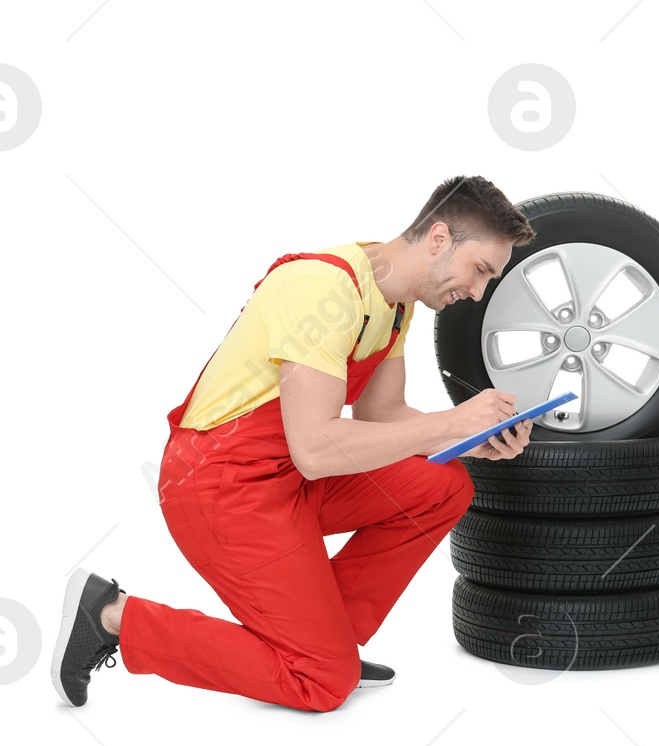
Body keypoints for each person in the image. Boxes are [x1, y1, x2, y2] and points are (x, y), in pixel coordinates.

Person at [53, 177, 538, 715]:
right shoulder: (322, 288)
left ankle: (329, 647)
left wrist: (472, 440)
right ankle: (112, 616)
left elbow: (384, 418)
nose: (476, 292)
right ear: (440, 237)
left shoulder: (397, 306)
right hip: (221, 484)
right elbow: (315, 446)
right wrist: (451, 423)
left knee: (442, 485)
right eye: (481, 271)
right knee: (320, 685)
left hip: (292, 478)